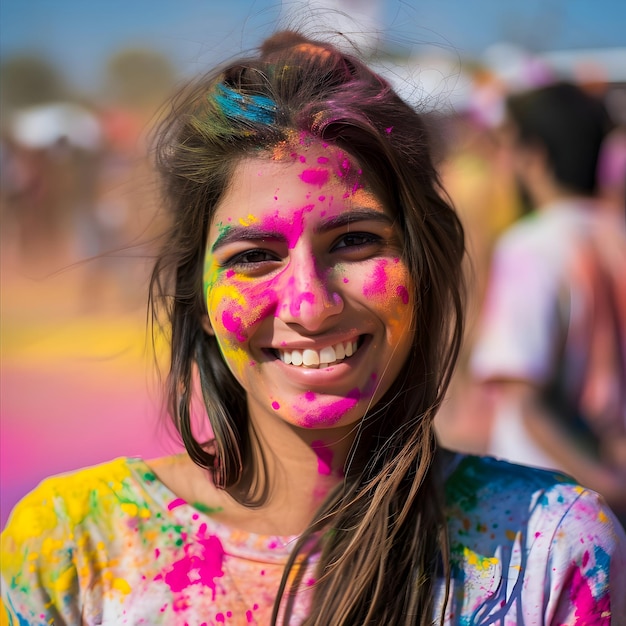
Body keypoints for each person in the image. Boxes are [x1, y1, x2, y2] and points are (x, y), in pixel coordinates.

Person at [2, 32, 625, 626]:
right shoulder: (72, 551)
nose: (310, 306)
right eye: (253, 256)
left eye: (355, 242)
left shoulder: (553, 550)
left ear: (424, 264)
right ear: (197, 296)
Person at [469, 82, 626, 525]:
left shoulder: (532, 246)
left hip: (549, 504)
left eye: (508, 146)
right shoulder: (618, 232)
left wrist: (606, 486)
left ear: (533, 155)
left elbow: (523, 395)